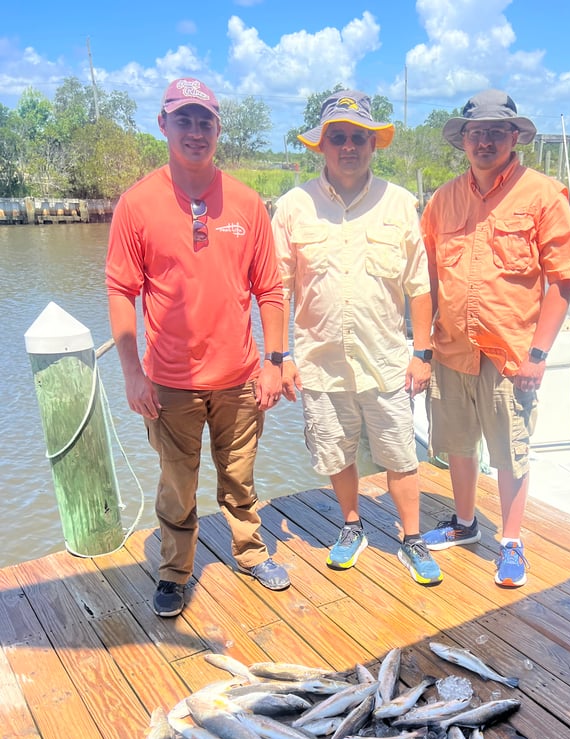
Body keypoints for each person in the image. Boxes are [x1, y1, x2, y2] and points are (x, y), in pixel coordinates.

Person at [105, 78, 290, 618]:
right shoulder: (137, 204)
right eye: (183, 120)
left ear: (217, 129)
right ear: (163, 124)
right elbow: (121, 290)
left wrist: (275, 362)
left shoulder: (249, 203)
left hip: (239, 378)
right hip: (169, 383)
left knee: (240, 476)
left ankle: (250, 553)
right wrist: (132, 373)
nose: (195, 131)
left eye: (204, 121)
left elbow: (270, 289)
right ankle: (174, 571)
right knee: (176, 485)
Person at [271, 90, 442, 586]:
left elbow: (420, 286)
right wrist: (280, 357)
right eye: (338, 137)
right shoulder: (292, 207)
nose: (349, 146)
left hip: (386, 358)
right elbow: (277, 287)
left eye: (358, 138)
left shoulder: (399, 203)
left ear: (373, 145)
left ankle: (411, 539)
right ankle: (352, 526)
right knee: (335, 451)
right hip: (320, 361)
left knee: (400, 453)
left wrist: (422, 352)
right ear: (322, 145)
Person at [420, 89, 570, 587]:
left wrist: (538, 355)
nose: (484, 140)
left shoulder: (543, 194)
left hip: (511, 354)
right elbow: (423, 277)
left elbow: (564, 278)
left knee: (511, 450)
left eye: (495, 131)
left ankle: (511, 542)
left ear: (514, 137)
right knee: (458, 444)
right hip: (450, 349)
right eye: (475, 132)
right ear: (462, 140)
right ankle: (465, 524)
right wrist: (421, 348)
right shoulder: (443, 198)